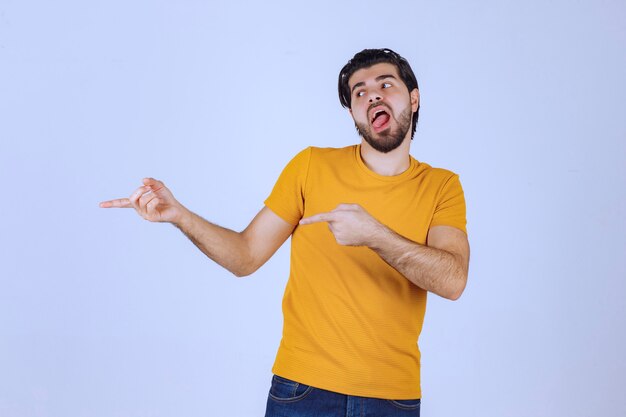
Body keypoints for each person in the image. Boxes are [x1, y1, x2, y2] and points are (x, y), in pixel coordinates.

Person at [100, 48, 470, 417]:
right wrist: (180, 215)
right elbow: (245, 256)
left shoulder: (441, 186)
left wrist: (374, 235)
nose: (372, 94)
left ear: (414, 99)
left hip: (393, 399)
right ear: (353, 113)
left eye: (385, 84)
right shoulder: (311, 166)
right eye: (359, 92)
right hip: (303, 391)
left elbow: (452, 280)